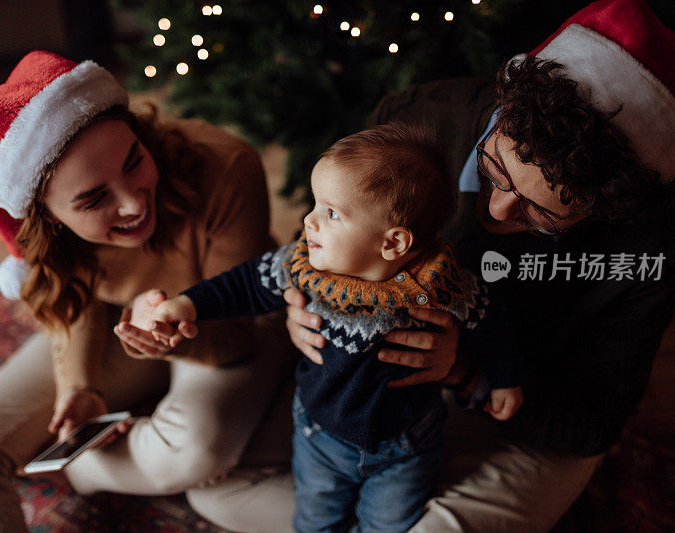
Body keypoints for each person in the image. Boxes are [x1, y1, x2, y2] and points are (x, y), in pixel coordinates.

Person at [185, 1, 675, 531]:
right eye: (494, 169)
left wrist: (470, 373)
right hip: (343, 408)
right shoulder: (422, 116)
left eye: (540, 212)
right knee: (213, 492)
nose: (497, 212)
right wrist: (304, 299)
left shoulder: (650, 240)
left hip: (511, 406)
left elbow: (593, 421)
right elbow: (330, 222)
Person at [0, 50, 298, 532]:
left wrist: (163, 332)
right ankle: (77, 441)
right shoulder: (19, 236)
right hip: (120, 319)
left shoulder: (226, 166)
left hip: (226, 321)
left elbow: (235, 337)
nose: (134, 203)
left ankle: (75, 467)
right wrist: (80, 387)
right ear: (46, 217)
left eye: (134, 162)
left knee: (195, 450)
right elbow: (76, 303)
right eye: (93, 198)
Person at [121, 123, 524, 532]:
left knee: (389, 525)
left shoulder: (441, 284)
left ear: (394, 244)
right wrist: (187, 304)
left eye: (331, 213)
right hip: (319, 436)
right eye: (315, 205)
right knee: (315, 520)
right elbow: (242, 284)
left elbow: (491, 322)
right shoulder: (304, 269)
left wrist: (505, 380)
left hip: (406, 446)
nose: (309, 222)